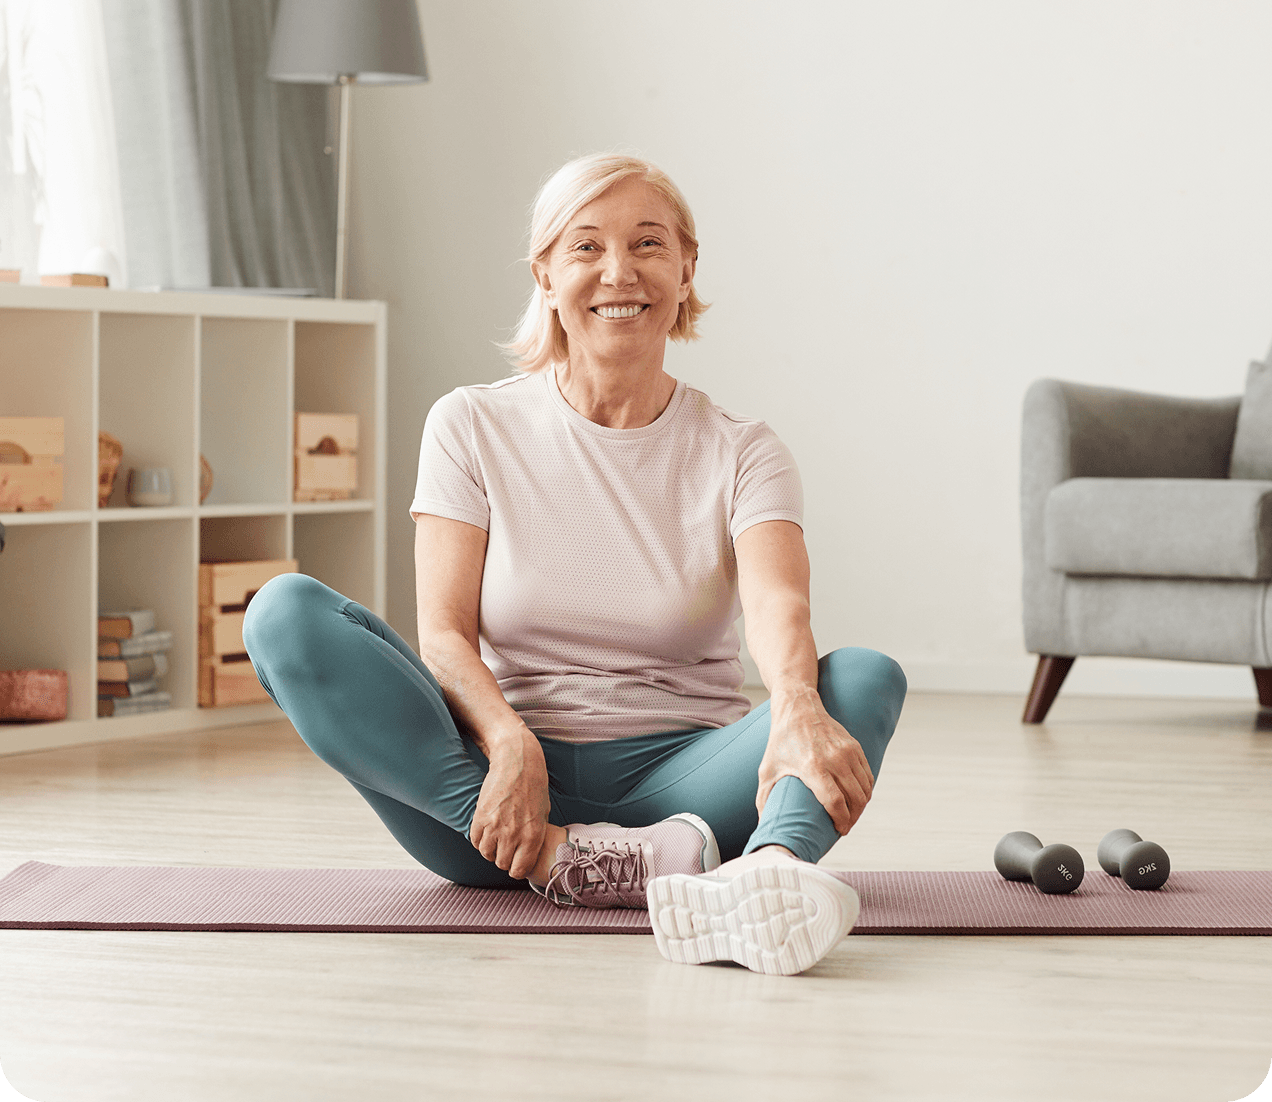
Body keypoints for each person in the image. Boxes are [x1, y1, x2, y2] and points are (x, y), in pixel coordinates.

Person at [243, 153, 906, 976]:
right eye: (586, 247)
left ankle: (768, 874)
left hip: (689, 794)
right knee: (282, 612)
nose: (618, 272)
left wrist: (799, 704)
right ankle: (563, 859)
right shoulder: (471, 424)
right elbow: (444, 634)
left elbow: (779, 609)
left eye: (648, 244)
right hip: (495, 801)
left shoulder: (744, 450)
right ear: (546, 275)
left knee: (864, 680)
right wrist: (510, 743)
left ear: (686, 267)